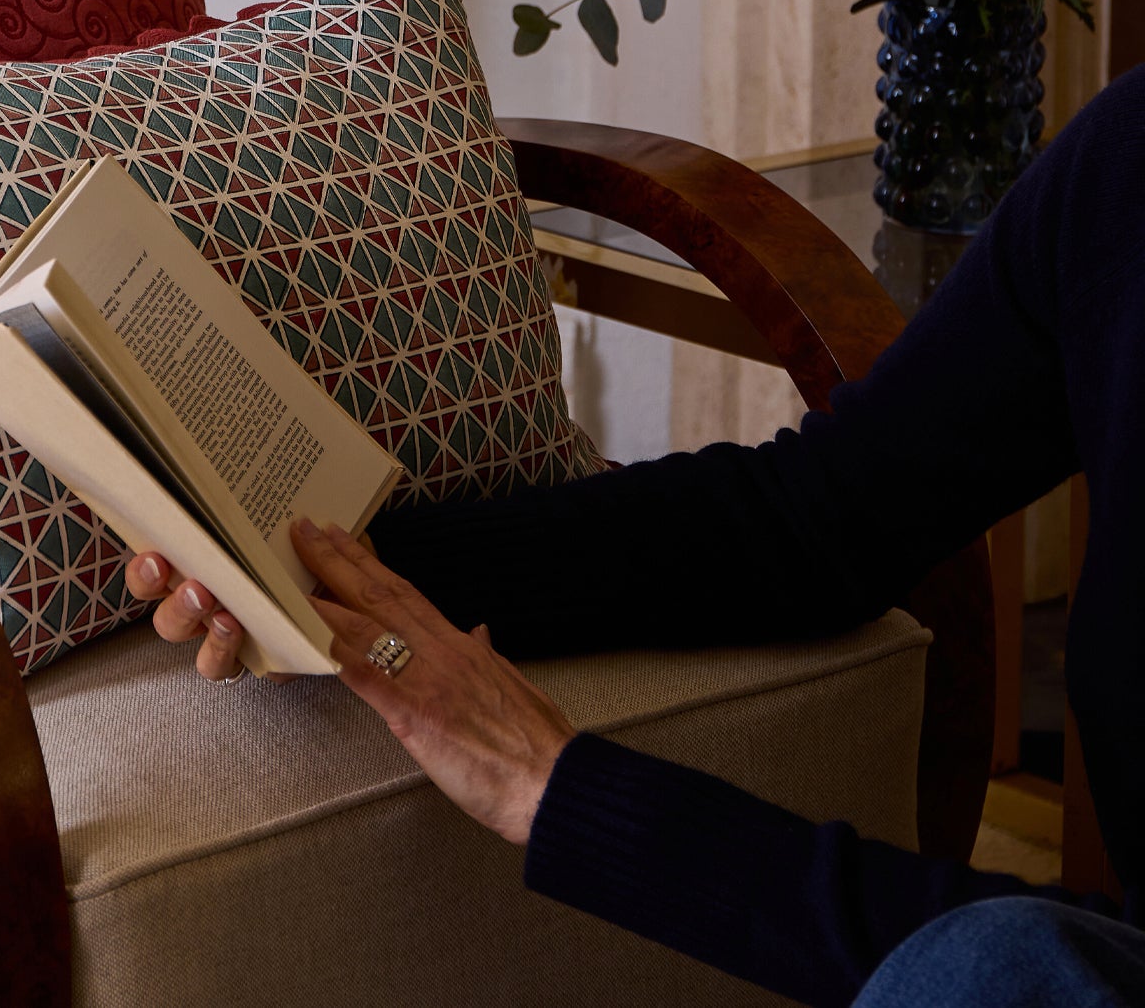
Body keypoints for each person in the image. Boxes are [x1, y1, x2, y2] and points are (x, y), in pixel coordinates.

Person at [125, 65, 1145, 1007]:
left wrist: (556, 789)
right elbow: (818, 516)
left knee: (991, 965)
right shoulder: (1126, 163)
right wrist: (340, 569)